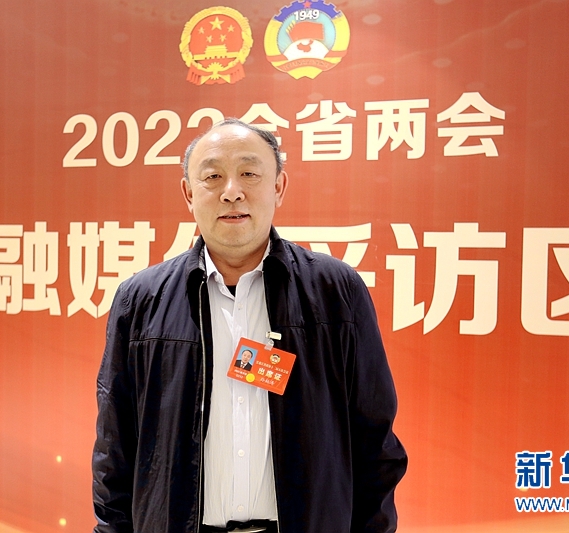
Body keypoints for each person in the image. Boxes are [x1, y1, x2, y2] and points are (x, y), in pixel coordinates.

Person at [92, 118, 407, 533]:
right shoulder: (140, 300)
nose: (231, 191)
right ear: (189, 193)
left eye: (249, 174)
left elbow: (374, 442)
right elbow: (115, 449)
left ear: (279, 186)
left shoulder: (337, 292)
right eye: (212, 177)